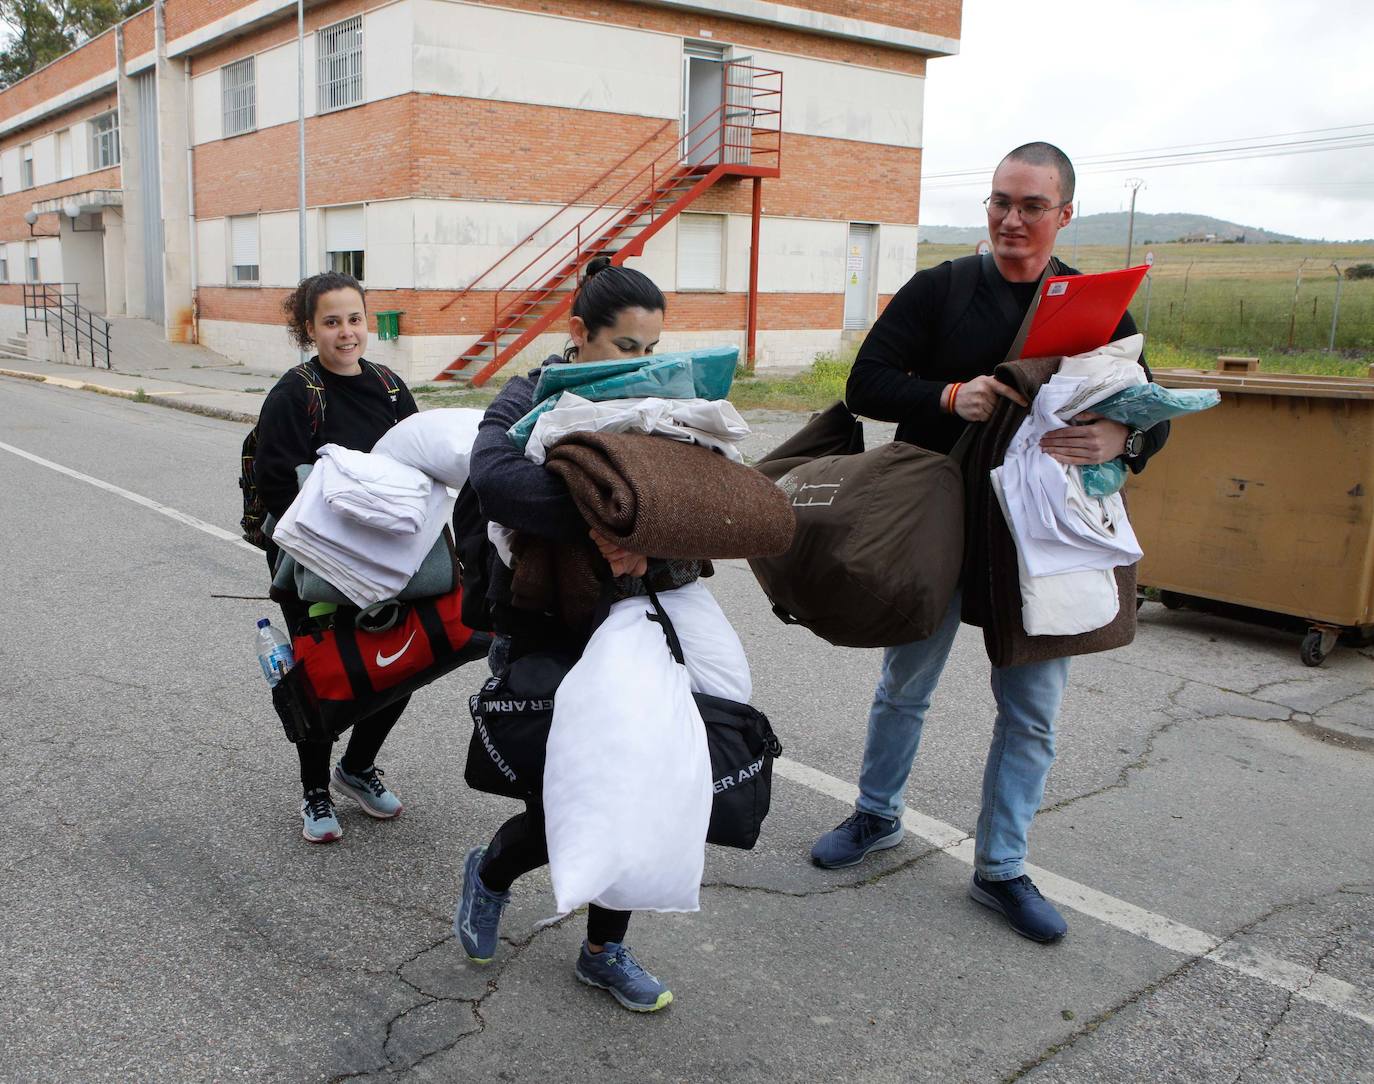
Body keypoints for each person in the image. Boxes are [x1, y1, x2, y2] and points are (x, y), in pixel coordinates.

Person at [810, 142, 1170, 942]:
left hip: (1038, 534)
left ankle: (1001, 867)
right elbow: (865, 383)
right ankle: (876, 816)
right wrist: (947, 392)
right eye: (1000, 201)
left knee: (1034, 712)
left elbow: (1151, 408)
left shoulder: (1098, 304)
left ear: (1064, 215)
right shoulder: (942, 288)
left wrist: (1119, 436)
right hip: (933, 520)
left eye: (1031, 206)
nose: (1012, 219)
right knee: (905, 687)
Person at [454, 256, 689, 1012]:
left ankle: (602, 949)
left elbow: (697, 502)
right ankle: (492, 872)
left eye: (653, 352)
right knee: (565, 803)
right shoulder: (527, 396)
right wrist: (620, 514)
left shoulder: (657, 404)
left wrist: (651, 534)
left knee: (635, 794)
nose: (642, 366)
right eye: (628, 349)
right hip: (540, 632)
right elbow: (499, 481)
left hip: (630, 626)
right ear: (580, 334)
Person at [255, 271, 420, 844]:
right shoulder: (295, 394)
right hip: (317, 565)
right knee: (324, 676)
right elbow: (278, 486)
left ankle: (357, 767)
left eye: (354, 319)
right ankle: (315, 790)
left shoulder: (391, 386)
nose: (346, 333)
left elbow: (418, 463)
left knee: (399, 666)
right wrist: (343, 534)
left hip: (390, 559)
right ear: (309, 329)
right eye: (331, 322)